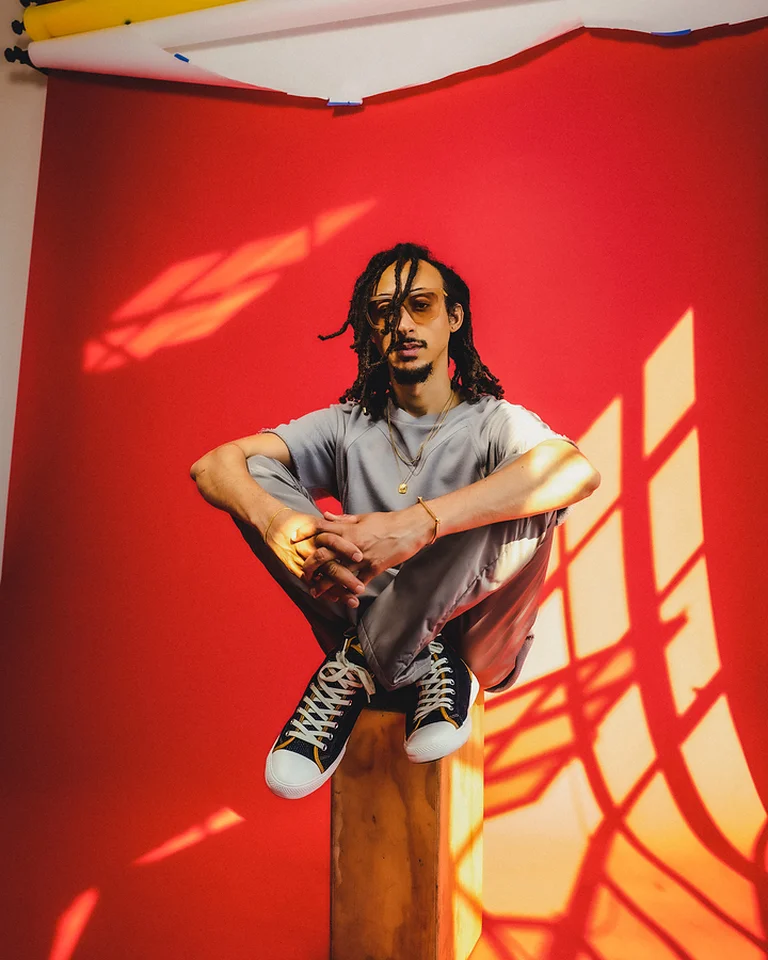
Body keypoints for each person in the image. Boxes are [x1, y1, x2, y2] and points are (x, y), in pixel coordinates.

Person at [190, 242, 600, 800]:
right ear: (371, 330)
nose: (403, 324)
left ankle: (359, 664)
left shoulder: (493, 422)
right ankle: (403, 656)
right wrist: (275, 522)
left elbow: (577, 470)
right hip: (361, 609)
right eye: (385, 312)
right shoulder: (348, 426)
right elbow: (214, 465)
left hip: (477, 641)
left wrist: (418, 524)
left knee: (522, 484)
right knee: (253, 475)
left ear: (454, 318)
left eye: (421, 305)